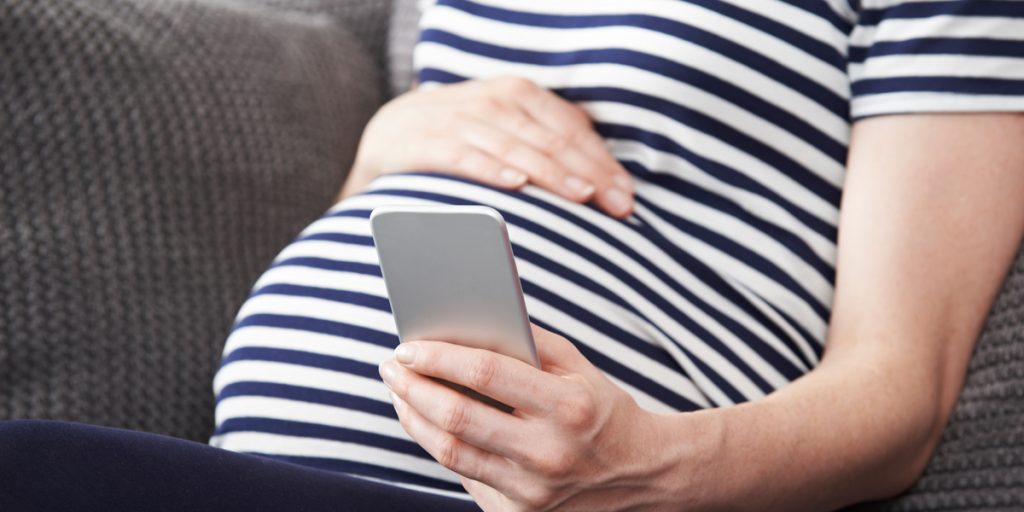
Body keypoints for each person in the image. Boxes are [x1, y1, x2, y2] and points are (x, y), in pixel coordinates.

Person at [5, 1, 1020, 511]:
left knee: (32, 471)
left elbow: (902, 389)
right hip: (289, 467)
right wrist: (385, 146)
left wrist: (647, 469)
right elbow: (420, 217)